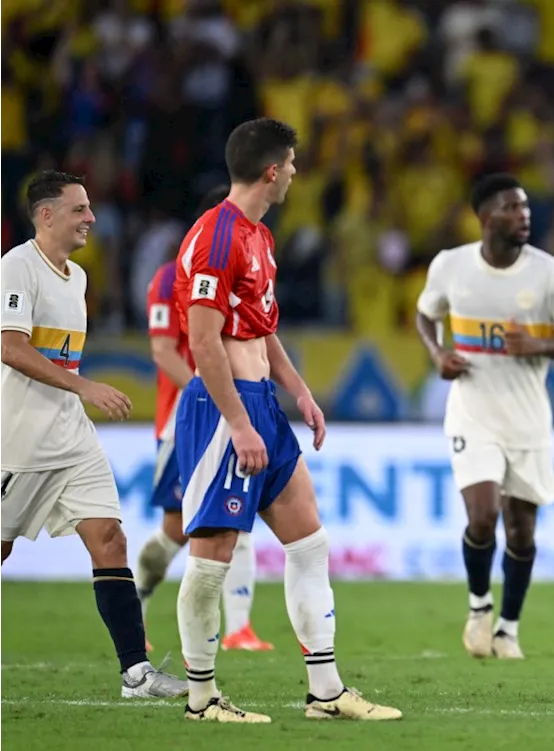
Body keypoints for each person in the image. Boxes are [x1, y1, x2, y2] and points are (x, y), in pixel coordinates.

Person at [173, 118, 400, 723]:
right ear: (272, 170)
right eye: (293, 164)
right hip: (226, 415)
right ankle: (201, 699)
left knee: (310, 542)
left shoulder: (260, 238)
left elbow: (261, 331)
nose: (296, 173)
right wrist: (240, 424)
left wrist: (300, 392)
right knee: (211, 557)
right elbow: (203, 340)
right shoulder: (216, 237)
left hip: (264, 410)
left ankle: (325, 693)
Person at [0, 170, 185, 698]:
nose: (91, 218)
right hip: (18, 438)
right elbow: (10, 347)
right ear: (46, 214)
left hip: (71, 435)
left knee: (110, 538)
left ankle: (136, 675)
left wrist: (76, 395)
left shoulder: (77, 278)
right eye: (79, 209)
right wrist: (84, 385)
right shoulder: (16, 267)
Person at [415, 174, 554, 661]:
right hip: (472, 413)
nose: (524, 215)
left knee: (521, 531)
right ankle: (478, 607)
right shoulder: (451, 266)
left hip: (528, 419)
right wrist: (437, 353)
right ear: (484, 217)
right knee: (483, 516)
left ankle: (508, 629)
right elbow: (425, 314)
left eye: (526, 208)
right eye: (512, 208)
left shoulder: (551, 274)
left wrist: (539, 344)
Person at [135, 184, 273, 654]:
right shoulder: (170, 276)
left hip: (233, 413)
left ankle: (240, 628)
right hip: (183, 421)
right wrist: (210, 385)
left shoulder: (247, 271)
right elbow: (161, 350)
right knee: (175, 532)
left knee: (238, 516)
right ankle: (136, 600)